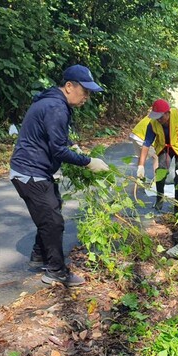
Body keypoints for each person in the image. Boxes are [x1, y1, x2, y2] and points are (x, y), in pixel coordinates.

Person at [10, 64, 109, 287]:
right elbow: (57, 150)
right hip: (30, 172)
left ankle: (39, 256)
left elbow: (58, 137)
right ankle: (56, 271)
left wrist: (75, 146)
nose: (87, 98)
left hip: (34, 170)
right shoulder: (56, 106)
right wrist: (88, 162)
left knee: (51, 210)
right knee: (53, 221)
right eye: (85, 92)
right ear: (68, 86)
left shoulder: (54, 102)